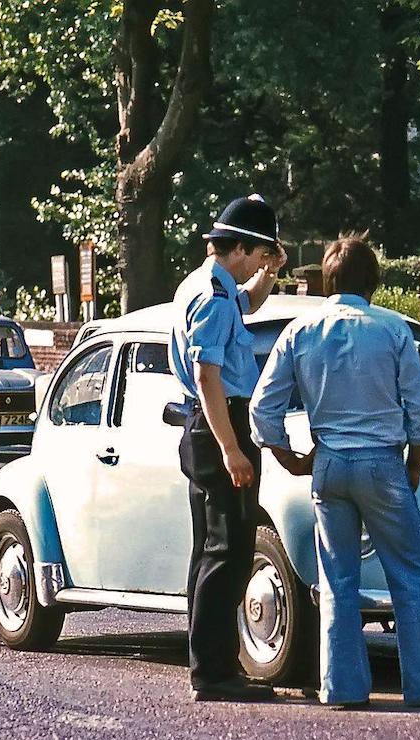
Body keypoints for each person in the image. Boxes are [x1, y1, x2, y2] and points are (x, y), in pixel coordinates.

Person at [250, 237, 420, 709]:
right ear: (374, 283)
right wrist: (414, 464)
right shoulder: (393, 329)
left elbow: (263, 407)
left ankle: (341, 687)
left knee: (337, 578)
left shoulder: (300, 330)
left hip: (329, 462)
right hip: (381, 461)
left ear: (329, 281)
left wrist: (289, 457)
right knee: (411, 574)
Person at [169, 194, 286, 703]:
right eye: (259, 255)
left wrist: (271, 274)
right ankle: (214, 673)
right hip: (221, 421)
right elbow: (208, 375)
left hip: (204, 422)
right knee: (231, 551)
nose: (261, 263)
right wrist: (232, 448)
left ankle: (207, 664)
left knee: (208, 551)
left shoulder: (207, 285)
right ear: (238, 248)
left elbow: (250, 302)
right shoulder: (214, 298)